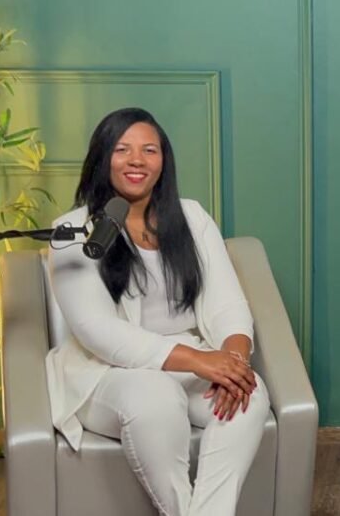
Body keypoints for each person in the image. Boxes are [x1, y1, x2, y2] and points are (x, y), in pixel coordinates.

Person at [46, 107, 269, 516]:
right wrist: (200, 361)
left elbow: (228, 304)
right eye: (122, 149)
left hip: (189, 360)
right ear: (102, 158)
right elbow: (97, 331)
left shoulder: (192, 217)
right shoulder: (72, 231)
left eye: (149, 150)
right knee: (156, 398)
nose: (137, 160)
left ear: (163, 161)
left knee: (250, 395)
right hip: (106, 372)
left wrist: (234, 364)